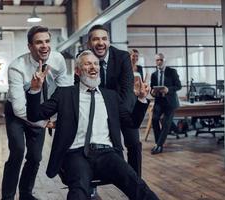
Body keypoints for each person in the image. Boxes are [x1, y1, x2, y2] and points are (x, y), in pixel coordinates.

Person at [26, 50, 159, 200]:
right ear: (77, 71)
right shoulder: (64, 94)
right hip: (76, 154)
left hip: (108, 154)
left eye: (96, 63)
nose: (93, 67)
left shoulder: (111, 96)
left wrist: (141, 99)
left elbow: (132, 122)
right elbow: (34, 115)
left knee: (137, 185)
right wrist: (35, 89)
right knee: (79, 190)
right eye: (87, 63)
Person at [2, 26, 72, 200]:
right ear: (30, 46)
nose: (44, 46)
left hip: (38, 109)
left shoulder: (58, 59)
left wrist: (59, 117)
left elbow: (63, 90)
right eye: (39, 42)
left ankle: (26, 194)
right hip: (16, 113)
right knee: (17, 151)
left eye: (47, 41)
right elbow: (19, 109)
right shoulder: (16, 68)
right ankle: (8, 197)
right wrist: (44, 123)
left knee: (35, 156)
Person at [86, 24, 143, 177]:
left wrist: (115, 116)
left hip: (124, 106)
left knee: (133, 143)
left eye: (104, 39)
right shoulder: (84, 59)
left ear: (109, 42)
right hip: (99, 110)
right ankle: (95, 181)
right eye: (96, 39)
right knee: (100, 145)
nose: (100, 42)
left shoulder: (123, 56)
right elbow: (80, 88)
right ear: (89, 43)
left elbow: (126, 88)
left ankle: (136, 181)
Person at [150, 53, 181, 155]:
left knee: (166, 123)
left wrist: (168, 89)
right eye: (157, 60)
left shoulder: (172, 72)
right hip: (159, 102)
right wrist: (152, 92)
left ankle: (159, 145)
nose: (159, 62)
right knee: (154, 119)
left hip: (170, 102)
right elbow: (151, 89)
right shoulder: (153, 75)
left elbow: (178, 86)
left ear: (165, 60)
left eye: (161, 60)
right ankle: (158, 143)